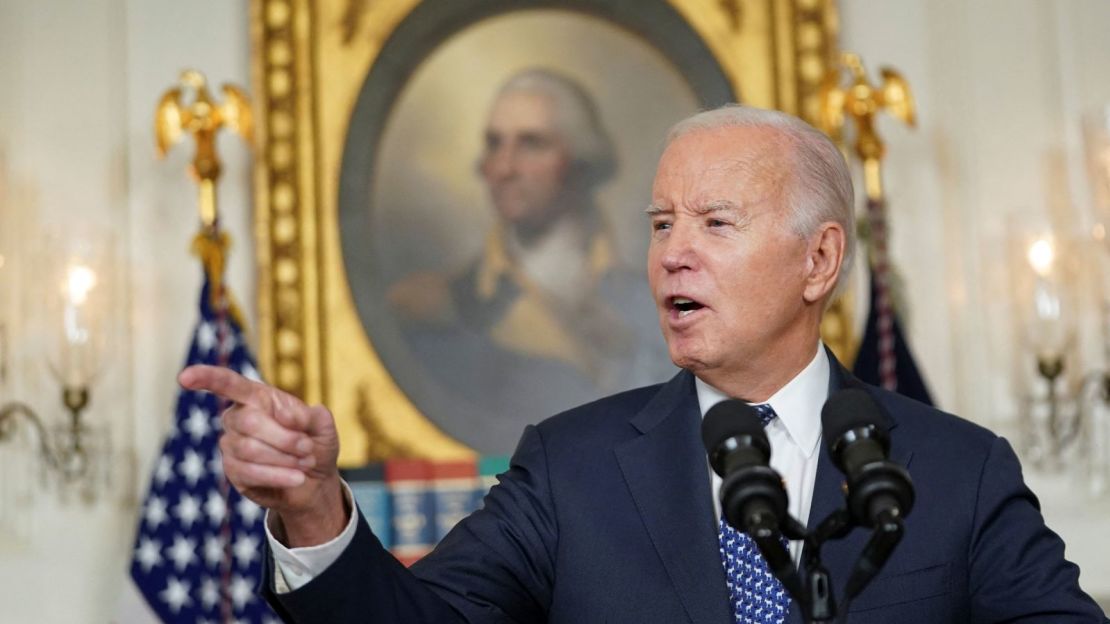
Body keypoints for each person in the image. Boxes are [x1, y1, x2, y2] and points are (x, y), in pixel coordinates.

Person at [181, 105, 1107, 622]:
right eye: (661, 224)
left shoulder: (956, 470)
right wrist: (312, 508)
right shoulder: (569, 469)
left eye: (714, 223)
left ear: (819, 261)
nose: (671, 254)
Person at [384, 68, 673, 453]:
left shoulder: (652, 297)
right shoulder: (436, 309)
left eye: (531, 144)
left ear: (580, 160)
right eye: (493, 144)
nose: (503, 168)